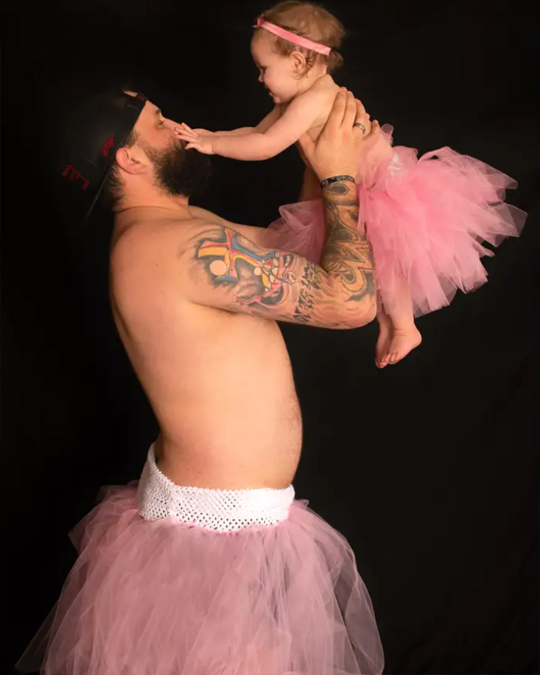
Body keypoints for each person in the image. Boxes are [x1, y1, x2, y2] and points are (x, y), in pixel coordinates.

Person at [17, 88, 385, 675]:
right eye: (159, 123)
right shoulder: (174, 246)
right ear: (130, 160)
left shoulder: (182, 227)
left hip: (235, 526)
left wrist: (317, 157)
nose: (180, 125)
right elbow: (349, 300)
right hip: (211, 543)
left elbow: (299, 251)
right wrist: (341, 180)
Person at [177, 0, 526, 368]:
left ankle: (406, 327)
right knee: (375, 263)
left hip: (381, 190)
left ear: (297, 63)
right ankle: (389, 323)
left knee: (388, 258)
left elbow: (266, 145)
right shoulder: (299, 97)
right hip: (359, 188)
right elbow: (258, 131)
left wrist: (213, 145)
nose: (260, 79)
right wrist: (209, 135)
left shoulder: (314, 100)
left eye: (264, 69)